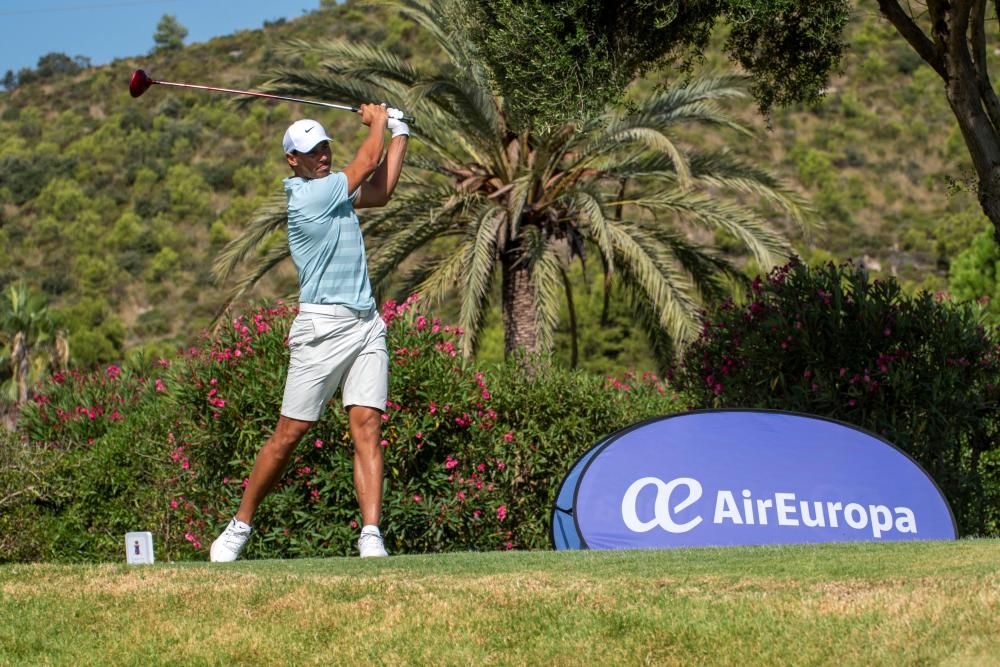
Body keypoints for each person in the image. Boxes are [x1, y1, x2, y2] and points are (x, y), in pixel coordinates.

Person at [210, 103, 409, 561]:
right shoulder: (309, 197)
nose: (321, 154)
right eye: (310, 151)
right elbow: (365, 164)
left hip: (365, 324)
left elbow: (379, 192)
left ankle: (371, 535)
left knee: (368, 425)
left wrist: (399, 133)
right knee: (289, 434)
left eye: (324, 147)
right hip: (321, 329)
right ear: (292, 161)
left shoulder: (335, 192)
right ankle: (240, 525)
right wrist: (378, 120)